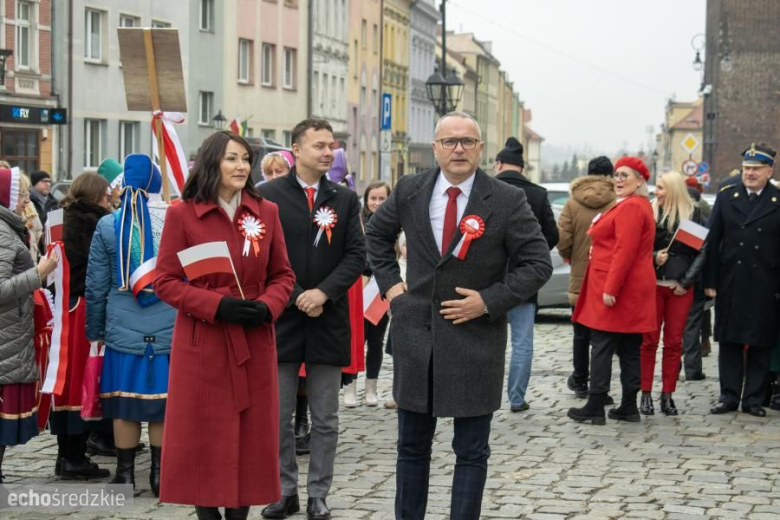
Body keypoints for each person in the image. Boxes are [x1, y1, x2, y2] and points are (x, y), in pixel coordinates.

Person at [366, 112, 553, 520]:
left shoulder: (506, 199)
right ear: (435, 147)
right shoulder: (411, 190)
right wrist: (393, 290)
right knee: (411, 447)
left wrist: (488, 301)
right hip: (418, 339)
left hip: (475, 342)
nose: (458, 149)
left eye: (467, 141)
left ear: (480, 149)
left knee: (471, 450)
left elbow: (537, 263)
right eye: (449, 142)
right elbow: (376, 235)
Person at [155, 131, 295, 520]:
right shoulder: (181, 214)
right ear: (212, 162)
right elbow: (164, 282)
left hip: (254, 339)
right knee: (205, 436)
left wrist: (267, 307)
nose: (241, 167)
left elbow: (283, 274)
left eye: (246, 159)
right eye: (232, 158)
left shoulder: (266, 212)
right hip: (204, 342)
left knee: (250, 436)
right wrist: (216, 306)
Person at [259, 119, 365, 520]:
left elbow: (357, 254)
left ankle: (319, 493)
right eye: (319, 145)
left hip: (327, 316)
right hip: (283, 317)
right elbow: (262, 256)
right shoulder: (268, 196)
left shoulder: (344, 199)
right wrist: (296, 294)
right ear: (296, 149)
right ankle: (284, 490)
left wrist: (323, 293)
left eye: (331, 145)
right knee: (279, 415)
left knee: (325, 417)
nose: (327, 152)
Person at [85, 155, 176, 496]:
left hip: (122, 325)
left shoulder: (108, 225)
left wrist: (94, 330)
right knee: (160, 405)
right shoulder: (176, 220)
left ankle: (124, 475)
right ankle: (159, 474)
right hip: (169, 323)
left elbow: (95, 286)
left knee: (124, 404)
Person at [568, 156, 656, 426]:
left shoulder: (631, 207)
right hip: (629, 284)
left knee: (602, 345)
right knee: (629, 347)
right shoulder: (636, 205)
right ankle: (628, 405)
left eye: (625, 175)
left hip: (618, 286)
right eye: (616, 175)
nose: (618, 179)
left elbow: (625, 250)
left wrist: (611, 287)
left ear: (640, 180)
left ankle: (596, 404)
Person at [704, 143, 780, 418]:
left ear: (769, 171)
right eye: (747, 168)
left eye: (756, 169)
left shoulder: (776, 198)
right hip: (731, 279)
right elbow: (712, 241)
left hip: (766, 281)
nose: (749, 173)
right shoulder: (727, 194)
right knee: (730, 340)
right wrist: (709, 280)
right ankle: (729, 396)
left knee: (760, 341)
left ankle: (753, 399)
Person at [51, 172, 113, 480]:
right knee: (79, 381)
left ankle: (67, 454)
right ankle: (74, 456)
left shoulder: (57, 217)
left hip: (63, 307)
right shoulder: (95, 223)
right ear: (95, 196)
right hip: (82, 307)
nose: (108, 200)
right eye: (105, 196)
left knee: (65, 384)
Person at [0, 168, 59, 483]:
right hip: (5, 332)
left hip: (9, 331)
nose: (26, 202)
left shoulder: (7, 228)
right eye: (21, 195)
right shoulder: (1, 231)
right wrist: (39, 272)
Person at [491, 137, 558, 412]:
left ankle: (485, 394)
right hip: (524, 278)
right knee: (522, 342)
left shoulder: (486, 189)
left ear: (498, 164)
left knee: (486, 340)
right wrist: (532, 255)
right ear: (522, 167)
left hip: (487, 279)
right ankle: (516, 398)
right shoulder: (539, 194)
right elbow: (552, 235)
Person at [639, 171, 707, 416]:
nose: (656, 191)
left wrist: (686, 282)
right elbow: (636, 247)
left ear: (674, 189)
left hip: (679, 289)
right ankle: (645, 393)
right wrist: (653, 257)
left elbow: (701, 252)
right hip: (652, 286)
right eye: (656, 187)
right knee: (648, 342)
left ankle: (667, 394)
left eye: (660, 187)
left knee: (674, 343)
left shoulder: (692, 213)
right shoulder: (648, 211)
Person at [557, 157, 616, 398]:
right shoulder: (616, 202)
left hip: (580, 277)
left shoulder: (572, 203)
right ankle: (600, 384)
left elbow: (563, 238)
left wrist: (571, 256)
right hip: (608, 276)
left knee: (580, 333)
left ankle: (580, 378)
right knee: (603, 337)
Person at [350, 180, 393, 407]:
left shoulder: (394, 224)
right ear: (366, 200)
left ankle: (371, 389)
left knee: (376, 341)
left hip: (381, 290)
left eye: (382, 198)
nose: (376, 203)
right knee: (357, 339)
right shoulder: (357, 223)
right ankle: (350, 386)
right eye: (373, 198)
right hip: (360, 288)